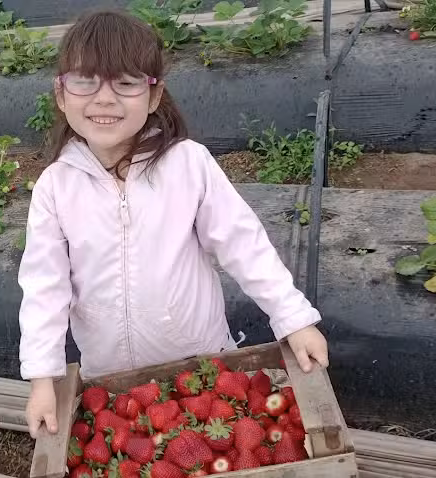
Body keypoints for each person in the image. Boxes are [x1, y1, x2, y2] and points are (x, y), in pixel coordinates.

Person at [17, 9, 329, 439]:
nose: (104, 99)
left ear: (154, 94)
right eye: (85, 81)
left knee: (215, 450)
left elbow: (243, 244)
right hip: (113, 384)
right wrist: (42, 380)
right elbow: (45, 287)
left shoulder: (187, 165)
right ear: (61, 93)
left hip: (204, 366)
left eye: (125, 83)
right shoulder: (55, 187)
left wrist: (293, 318)